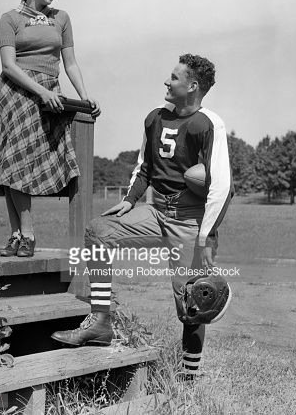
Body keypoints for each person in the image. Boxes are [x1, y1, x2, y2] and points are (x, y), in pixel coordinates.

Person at [51, 53, 233, 379]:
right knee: (98, 231)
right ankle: (101, 321)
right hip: (155, 210)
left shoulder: (209, 124)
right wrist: (129, 200)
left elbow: (221, 186)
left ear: (192, 86)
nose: (166, 81)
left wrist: (205, 235)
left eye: (174, 78)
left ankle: (189, 378)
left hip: (190, 218)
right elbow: (144, 167)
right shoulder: (154, 118)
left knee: (193, 300)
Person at [0, 0, 100, 258]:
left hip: (50, 97)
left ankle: (18, 235)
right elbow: (8, 65)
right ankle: (24, 234)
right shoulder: (10, 18)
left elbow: (70, 62)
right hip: (15, 95)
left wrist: (85, 96)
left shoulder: (62, 18)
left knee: (19, 165)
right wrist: (40, 92)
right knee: (12, 164)